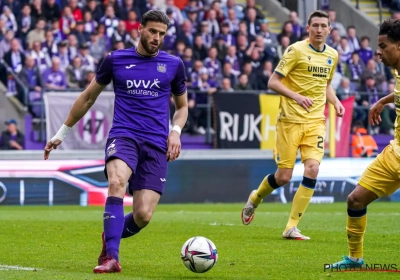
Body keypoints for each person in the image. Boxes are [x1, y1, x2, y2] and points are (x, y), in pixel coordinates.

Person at [43, 10, 188, 274]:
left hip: (156, 144)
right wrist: (60, 133)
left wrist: (176, 130)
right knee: (116, 181)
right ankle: (111, 257)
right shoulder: (115, 60)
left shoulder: (173, 64)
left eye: (162, 34)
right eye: (153, 31)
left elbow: (182, 107)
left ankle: (110, 235)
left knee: (143, 215)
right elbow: (88, 97)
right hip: (124, 135)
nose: (157, 38)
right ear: (140, 29)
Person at [241, 10, 345, 240]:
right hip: (289, 121)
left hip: (316, 121)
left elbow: (326, 85)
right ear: (308, 28)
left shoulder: (333, 55)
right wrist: (296, 96)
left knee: (313, 169)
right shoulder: (296, 50)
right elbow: (273, 82)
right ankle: (256, 197)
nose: (319, 30)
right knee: (284, 177)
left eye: (323, 26)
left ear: (330, 29)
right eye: (315, 25)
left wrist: (336, 101)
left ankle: (291, 227)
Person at [329, 18, 400, 269]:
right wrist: (382, 100)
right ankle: (355, 259)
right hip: (395, 153)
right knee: (356, 200)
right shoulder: (397, 70)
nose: (378, 52)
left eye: (383, 46)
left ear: (399, 47)